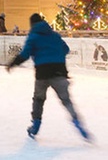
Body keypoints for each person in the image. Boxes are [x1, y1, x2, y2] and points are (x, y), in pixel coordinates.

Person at [6, 13, 90, 141]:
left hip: (43, 72)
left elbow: (25, 54)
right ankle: (77, 122)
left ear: (32, 24)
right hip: (59, 71)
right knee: (66, 100)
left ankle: (36, 124)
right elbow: (66, 49)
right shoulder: (55, 35)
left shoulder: (33, 36)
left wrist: (12, 64)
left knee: (39, 99)